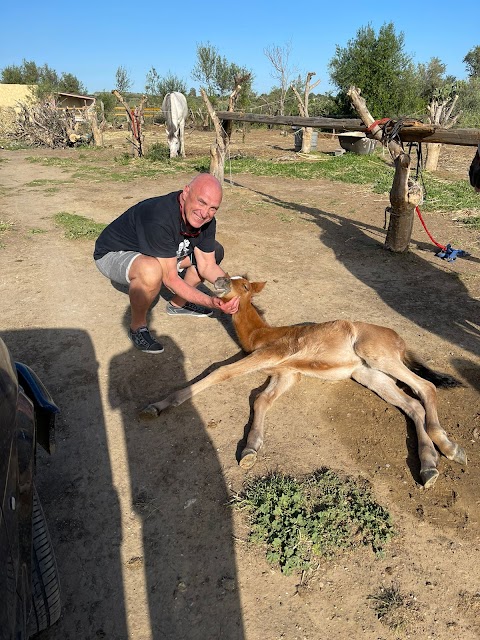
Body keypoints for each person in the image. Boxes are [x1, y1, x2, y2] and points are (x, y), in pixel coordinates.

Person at [94, 173, 239, 354]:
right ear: (186, 192)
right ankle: (137, 327)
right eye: (201, 202)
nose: (205, 213)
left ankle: (178, 304)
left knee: (215, 251)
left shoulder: (208, 222)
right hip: (113, 253)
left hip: (159, 252)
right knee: (151, 270)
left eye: (213, 208)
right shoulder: (160, 216)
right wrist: (211, 301)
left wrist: (232, 290)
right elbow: (170, 279)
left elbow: (207, 266)